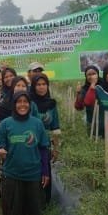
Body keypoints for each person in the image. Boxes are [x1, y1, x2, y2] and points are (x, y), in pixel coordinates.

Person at [0, 91, 50, 215]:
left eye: (25, 102)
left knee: (35, 206)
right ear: (14, 105)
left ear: (30, 104)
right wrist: (0, 150)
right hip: (12, 172)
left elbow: (44, 148)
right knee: (14, 207)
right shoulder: (6, 124)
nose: (22, 105)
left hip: (33, 173)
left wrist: (45, 171)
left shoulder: (37, 124)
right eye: (19, 102)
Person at [29, 73, 61, 205]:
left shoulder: (51, 104)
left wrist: (56, 149)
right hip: (31, 144)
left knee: (45, 170)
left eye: (44, 84)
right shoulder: (29, 103)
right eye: (38, 85)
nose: (41, 87)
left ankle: (44, 202)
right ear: (33, 86)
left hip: (45, 145)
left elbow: (55, 127)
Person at [83, 63, 108, 137]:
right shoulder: (98, 89)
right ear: (104, 74)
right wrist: (92, 85)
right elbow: (88, 102)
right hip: (99, 130)